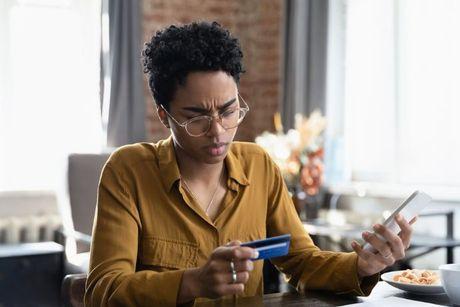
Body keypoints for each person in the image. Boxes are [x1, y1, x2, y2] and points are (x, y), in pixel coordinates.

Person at [84, 21, 415, 306]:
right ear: (164, 115)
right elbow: (102, 290)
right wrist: (193, 283)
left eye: (229, 111)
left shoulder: (259, 165)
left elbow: (301, 261)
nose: (218, 132)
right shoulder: (128, 170)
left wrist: (361, 266)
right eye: (196, 118)